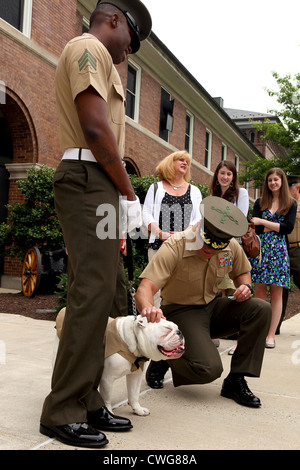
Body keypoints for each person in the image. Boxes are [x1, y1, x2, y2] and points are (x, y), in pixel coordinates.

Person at [40, 0, 152, 449]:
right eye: (133, 39)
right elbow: (94, 128)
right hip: (89, 179)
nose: (131, 50)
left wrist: (119, 194)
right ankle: (62, 408)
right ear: (114, 21)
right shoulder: (89, 49)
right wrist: (129, 195)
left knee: (107, 289)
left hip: (100, 184)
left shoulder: (106, 61)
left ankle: (87, 398)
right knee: (89, 293)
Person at [135, 196, 272, 408]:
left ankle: (236, 380)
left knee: (260, 308)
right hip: (180, 312)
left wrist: (245, 287)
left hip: (213, 307)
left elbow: (243, 273)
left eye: (216, 247)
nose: (209, 250)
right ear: (200, 227)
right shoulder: (176, 245)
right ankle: (165, 357)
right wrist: (148, 308)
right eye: (206, 244)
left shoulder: (230, 247)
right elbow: (145, 288)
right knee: (208, 369)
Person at [142, 150, 202, 388]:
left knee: (178, 298)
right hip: (158, 247)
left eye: (187, 161)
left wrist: (182, 236)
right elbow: (146, 213)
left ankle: (166, 358)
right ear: (170, 163)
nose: (185, 163)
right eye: (180, 160)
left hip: (185, 250)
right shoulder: (156, 189)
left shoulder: (195, 191)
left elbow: (198, 219)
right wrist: (162, 233)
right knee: (155, 300)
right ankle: (152, 349)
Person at [250, 168, 297, 349]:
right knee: (260, 292)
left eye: (276, 180)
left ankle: (271, 335)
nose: (273, 183)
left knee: (276, 293)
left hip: (279, 253)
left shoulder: (290, 203)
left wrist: (263, 222)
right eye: (270, 180)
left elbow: (288, 228)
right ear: (267, 183)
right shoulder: (261, 202)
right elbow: (256, 228)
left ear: (282, 181)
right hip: (260, 252)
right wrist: (274, 226)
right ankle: (260, 333)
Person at [210, 161, 249, 354]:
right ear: (217, 174)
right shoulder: (213, 195)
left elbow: (239, 220)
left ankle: (240, 340)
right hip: (215, 247)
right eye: (222, 173)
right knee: (217, 288)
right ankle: (214, 334)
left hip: (233, 248)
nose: (225, 177)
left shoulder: (241, 194)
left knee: (237, 291)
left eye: (229, 174)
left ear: (234, 177)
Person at [278, 175, 300, 332]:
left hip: (299, 251)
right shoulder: (280, 204)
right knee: (280, 289)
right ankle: (275, 327)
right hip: (283, 249)